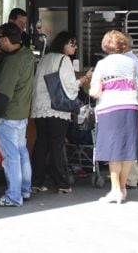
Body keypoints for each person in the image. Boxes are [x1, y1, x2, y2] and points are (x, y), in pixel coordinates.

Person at [30, 31, 92, 194]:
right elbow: (70, 86)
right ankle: (62, 184)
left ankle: (36, 182)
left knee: (41, 144)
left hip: (40, 107)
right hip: (56, 108)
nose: (75, 47)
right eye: (72, 44)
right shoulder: (64, 59)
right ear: (63, 44)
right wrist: (84, 79)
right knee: (57, 145)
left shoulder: (45, 58)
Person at [89, 30, 138, 204]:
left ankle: (115, 190)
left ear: (106, 45)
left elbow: (95, 92)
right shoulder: (132, 63)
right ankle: (123, 188)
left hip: (110, 108)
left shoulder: (102, 64)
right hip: (130, 106)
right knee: (127, 151)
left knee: (113, 151)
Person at [0, 22, 35, 207]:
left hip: (8, 116)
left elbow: (4, 94)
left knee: (11, 157)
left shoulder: (11, 63)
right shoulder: (27, 54)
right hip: (22, 114)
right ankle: (24, 189)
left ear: (6, 39)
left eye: (0, 39)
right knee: (21, 152)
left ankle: (13, 196)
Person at [123, 34, 138, 189]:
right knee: (136, 138)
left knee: (128, 138)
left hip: (128, 99)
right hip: (137, 99)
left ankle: (129, 177)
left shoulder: (126, 62)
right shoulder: (135, 60)